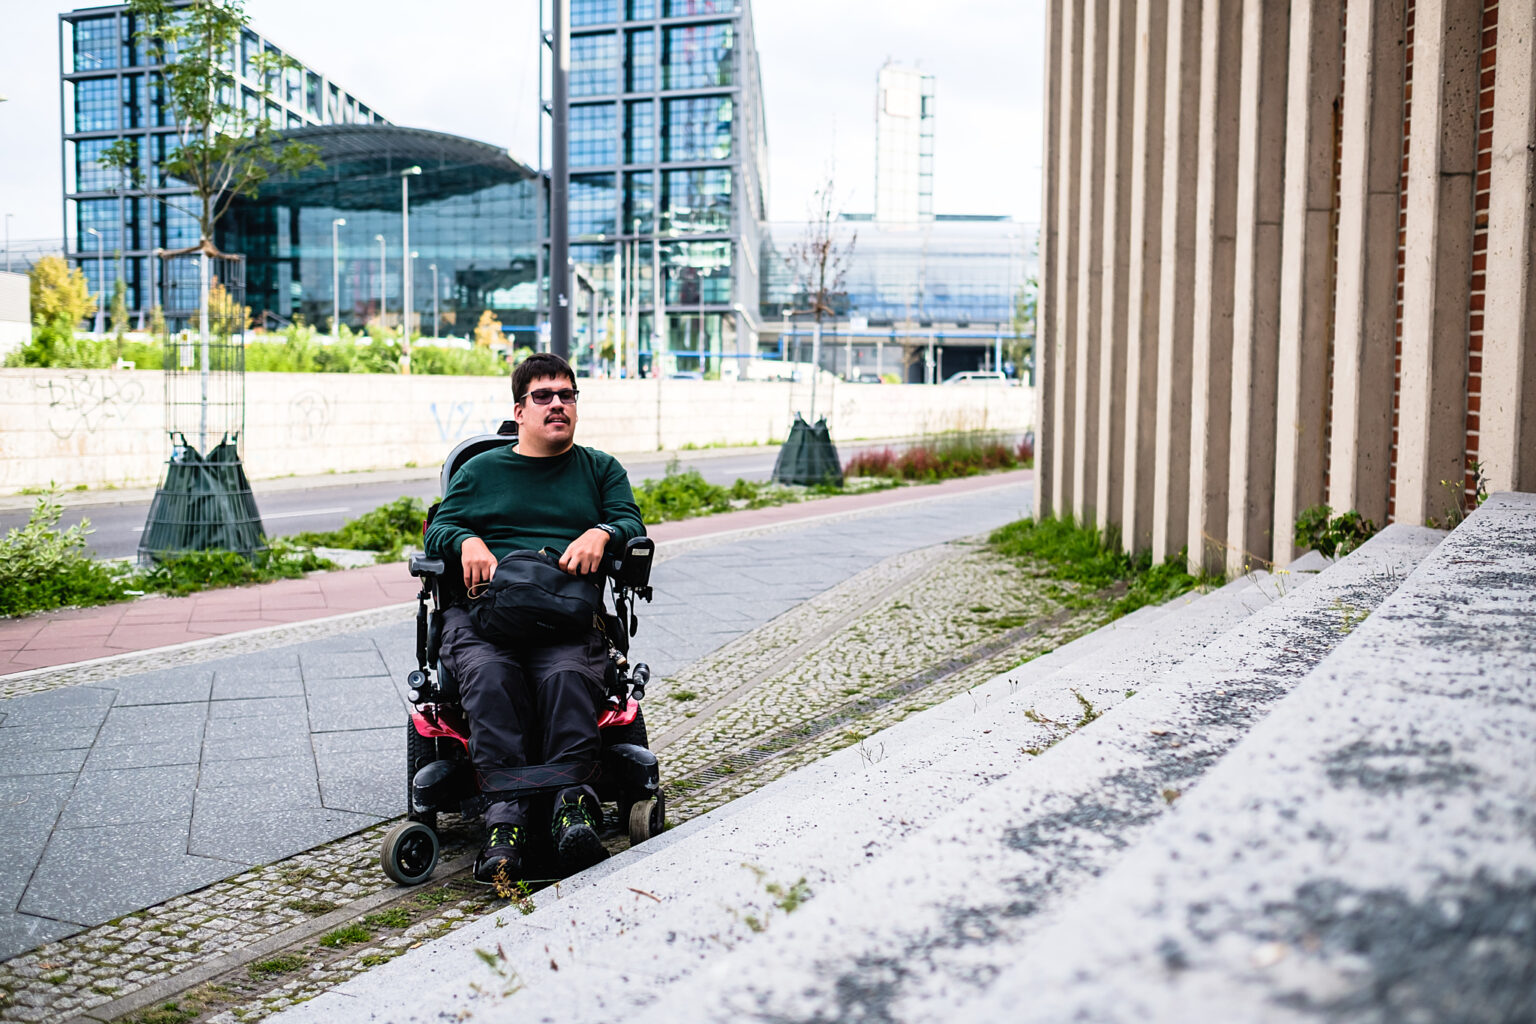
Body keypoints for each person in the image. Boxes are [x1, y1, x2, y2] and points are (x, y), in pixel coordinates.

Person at [424, 352, 645, 882]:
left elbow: (629, 521)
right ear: (519, 411)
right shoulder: (480, 472)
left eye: (567, 395)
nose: (557, 405)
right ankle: (506, 821)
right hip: (483, 613)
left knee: (567, 676)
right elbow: (438, 530)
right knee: (491, 675)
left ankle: (573, 803)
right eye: (543, 396)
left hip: (565, 615)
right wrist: (466, 539)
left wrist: (604, 532)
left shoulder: (600, 469)